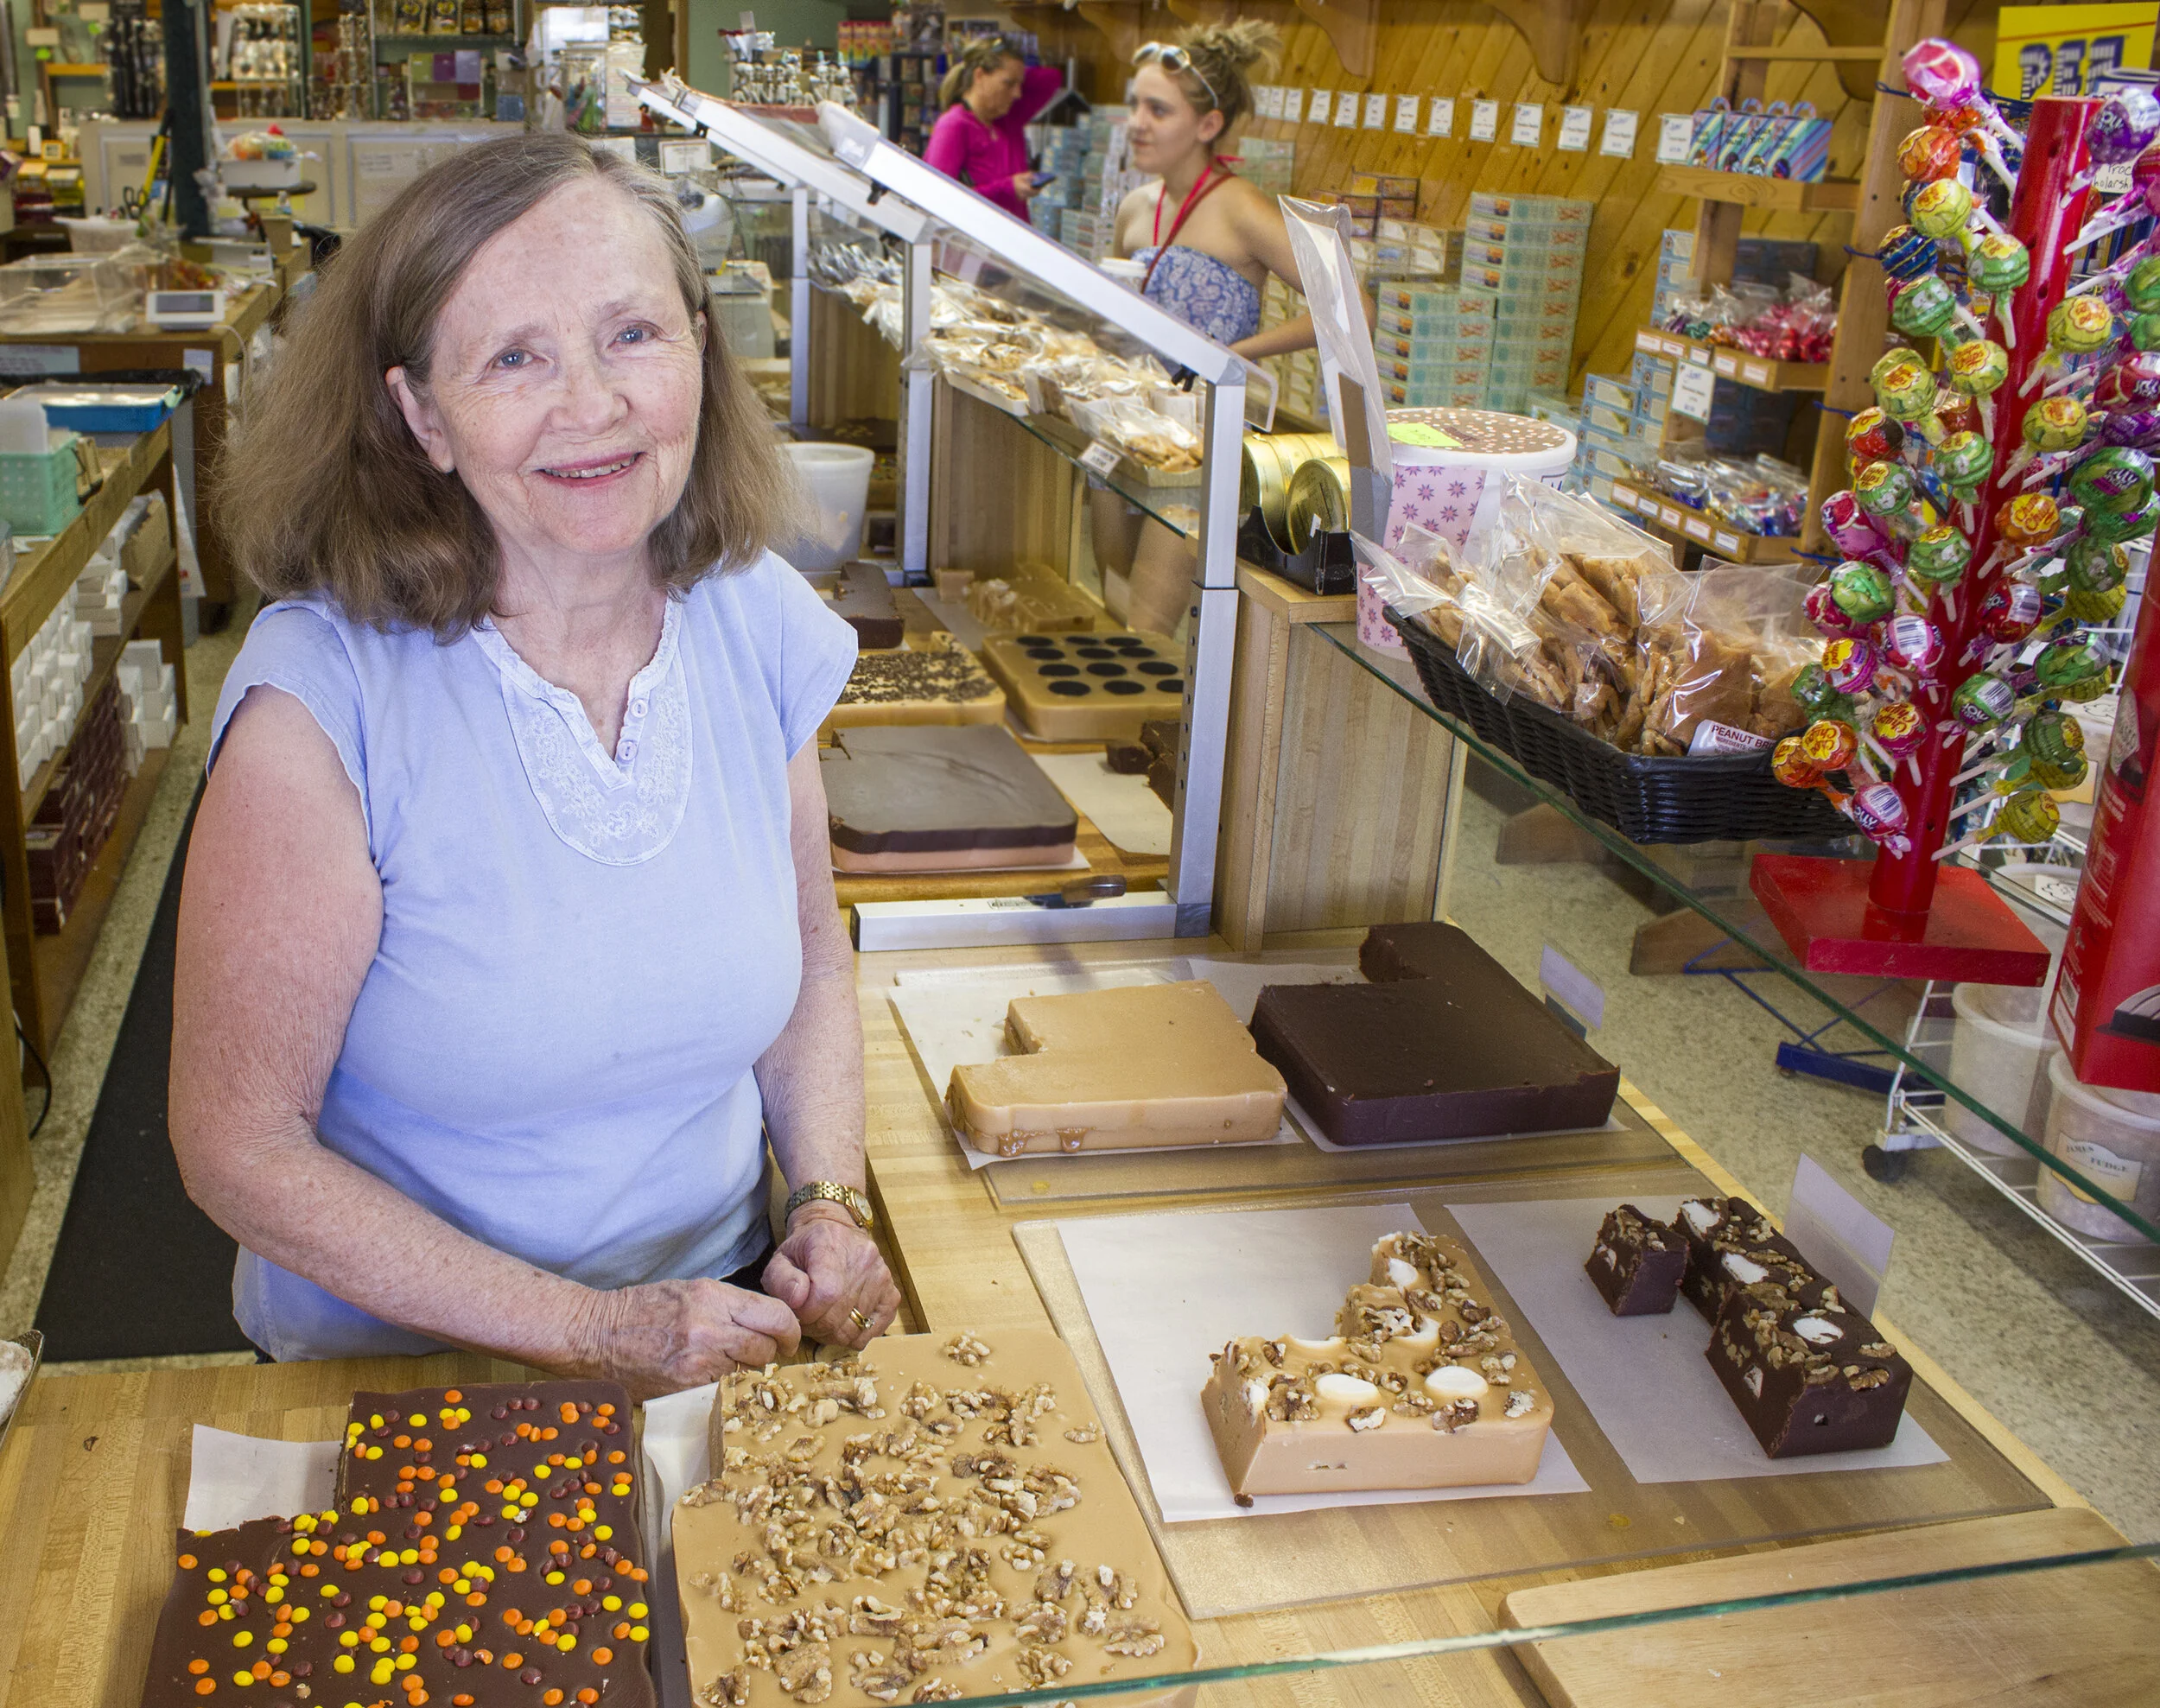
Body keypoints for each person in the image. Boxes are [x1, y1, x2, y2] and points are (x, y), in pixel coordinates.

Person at [169, 135, 901, 1397]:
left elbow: (809, 949)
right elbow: (237, 1145)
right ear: (420, 415)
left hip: (713, 1336)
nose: (594, 405)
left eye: (633, 335)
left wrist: (828, 1200)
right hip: (395, 1374)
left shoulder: (755, 618)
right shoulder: (325, 702)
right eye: (515, 358)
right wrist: (590, 1329)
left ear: (699, 353)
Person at [1101, 22, 1360, 635]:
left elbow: (1353, 311)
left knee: (1146, 626)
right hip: (1126, 428)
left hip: (1203, 447)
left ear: (1208, 125)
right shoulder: (1136, 207)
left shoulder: (1242, 207)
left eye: (1158, 109)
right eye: (1135, 104)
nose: (1137, 121)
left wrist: (1238, 353)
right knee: (1108, 593)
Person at [923, 35, 1064, 220]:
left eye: (1020, 84)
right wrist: (1008, 189)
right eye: (1009, 84)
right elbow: (937, 199)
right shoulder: (954, 125)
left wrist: (1010, 65)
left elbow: (1051, 78)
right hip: (970, 245)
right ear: (979, 75)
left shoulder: (1007, 120)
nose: (1017, 94)